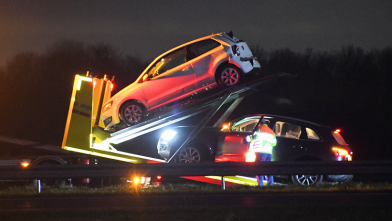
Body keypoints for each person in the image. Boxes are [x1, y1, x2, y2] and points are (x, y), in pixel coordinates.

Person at [250, 119, 277, 186]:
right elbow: (274, 143)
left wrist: (246, 139)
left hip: (260, 152)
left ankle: (260, 185)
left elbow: (254, 137)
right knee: (268, 169)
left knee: (259, 168)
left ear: (259, 123)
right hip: (269, 153)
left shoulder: (259, 129)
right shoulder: (271, 132)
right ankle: (270, 184)